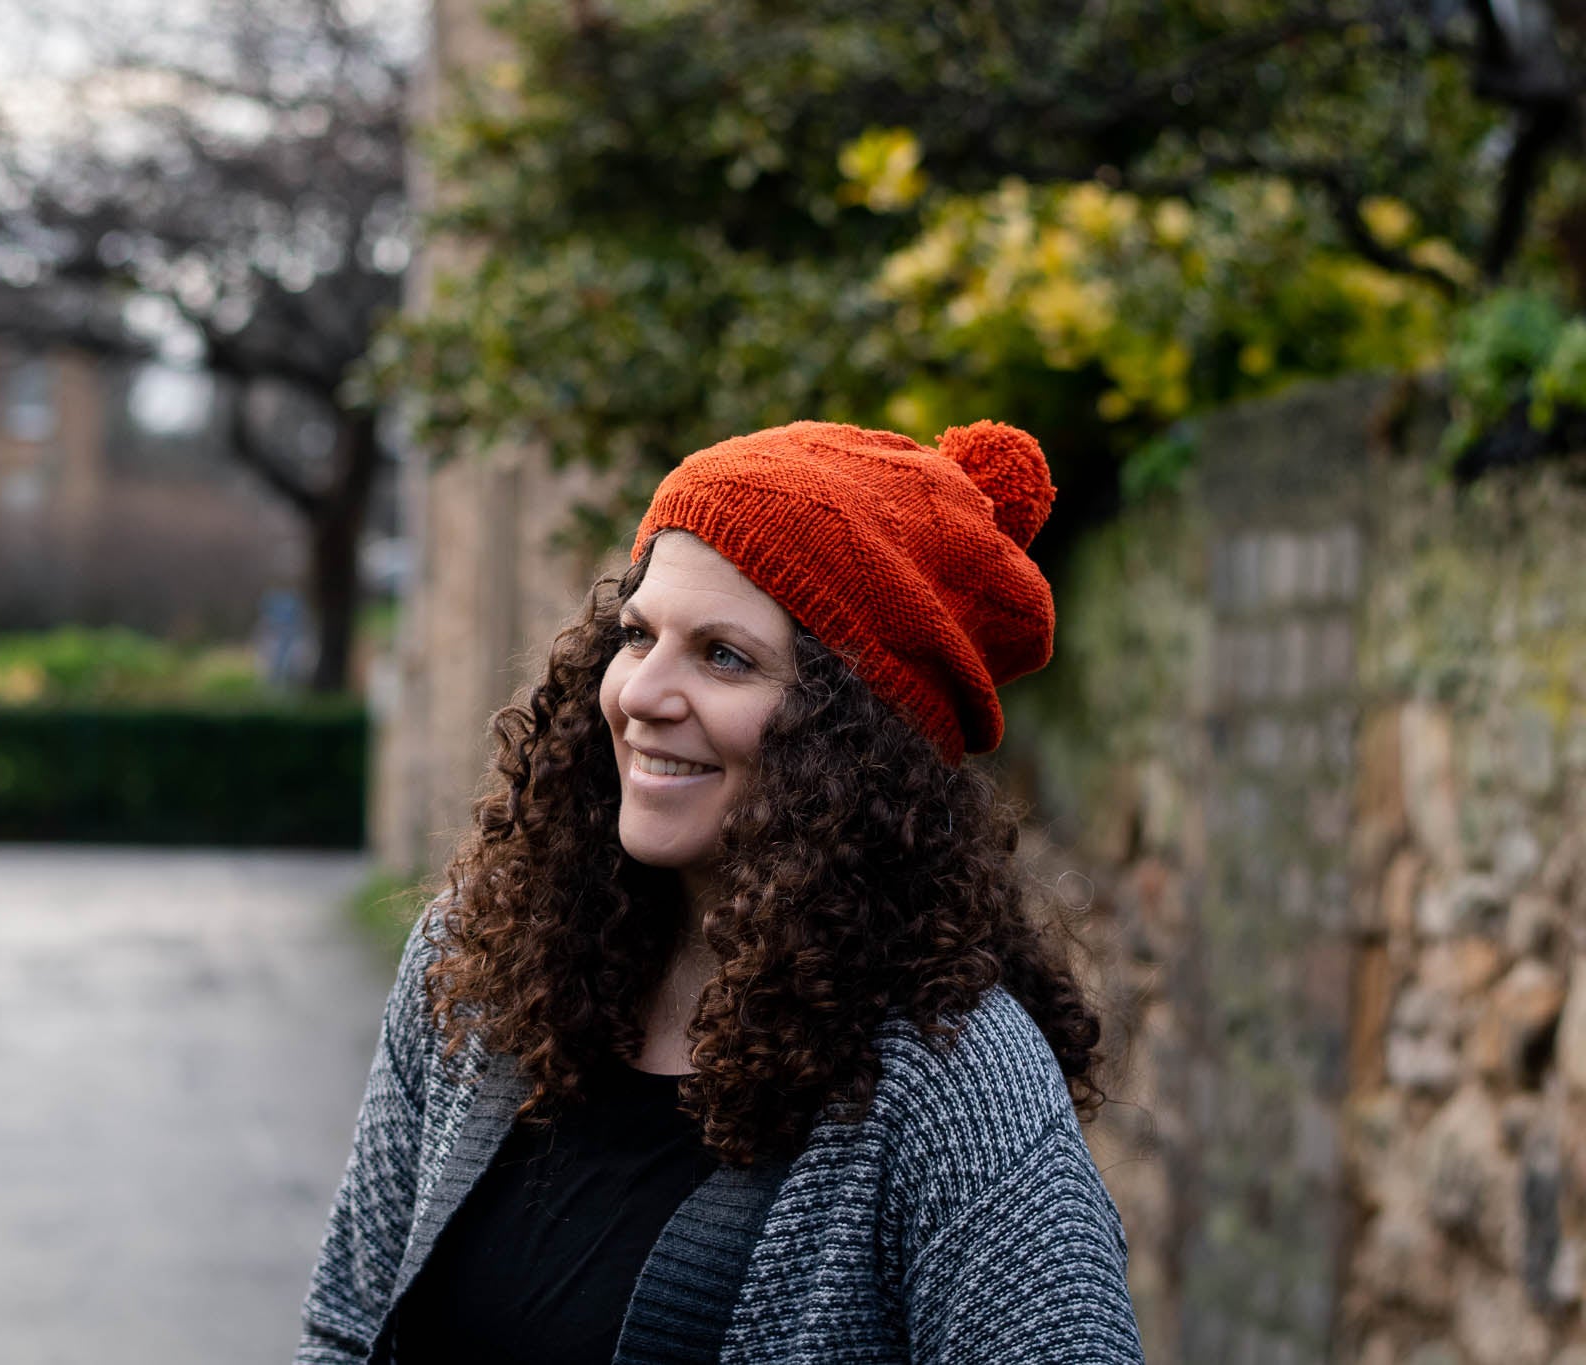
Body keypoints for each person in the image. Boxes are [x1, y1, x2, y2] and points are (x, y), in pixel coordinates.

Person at [297, 420, 1145, 1364]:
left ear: (853, 738)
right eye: (637, 634)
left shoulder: (953, 1084)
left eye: (724, 656)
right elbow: (346, 1326)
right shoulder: (481, 964)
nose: (639, 694)